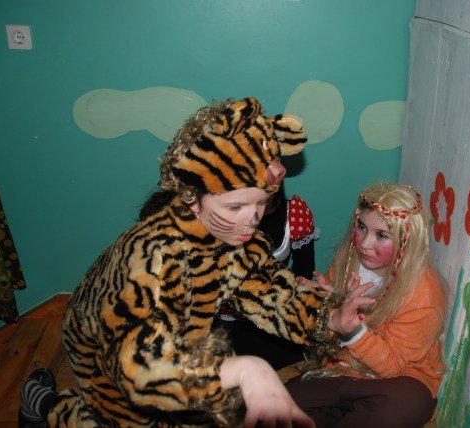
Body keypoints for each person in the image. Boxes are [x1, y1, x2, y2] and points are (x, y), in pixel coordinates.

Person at [19, 97, 331, 427]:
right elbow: (140, 371)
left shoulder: (233, 236)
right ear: (192, 197)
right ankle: (42, 405)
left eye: (262, 203)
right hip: (104, 343)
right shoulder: (152, 258)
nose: (252, 220)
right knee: (124, 420)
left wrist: (330, 316)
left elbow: (271, 293)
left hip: (174, 337)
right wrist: (246, 370)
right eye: (235, 207)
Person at [287, 182, 447, 428]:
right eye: (361, 227)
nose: (364, 244)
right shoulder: (348, 258)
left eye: (381, 235)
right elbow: (330, 320)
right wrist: (322, 299)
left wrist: (352, 329)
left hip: (400, 380)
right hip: (343, 370)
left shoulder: (423, 292)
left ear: (407, 239)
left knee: (399, 407)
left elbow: (392, 366)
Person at [214, 185, 321, 370]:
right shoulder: (220, 216)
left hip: (275, 316)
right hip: (229, 319)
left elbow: (303, 272)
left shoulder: (293, 214)